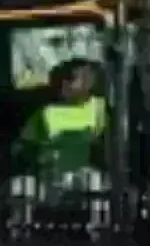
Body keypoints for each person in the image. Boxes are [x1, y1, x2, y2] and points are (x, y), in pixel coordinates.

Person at [14, 58, 107, 194]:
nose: (65, 84)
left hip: (86, 176)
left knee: (94, 179)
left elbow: (106, 146)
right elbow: (24, 145)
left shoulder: (100, 109)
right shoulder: (46, 113)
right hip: (50, 175)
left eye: (71, 78)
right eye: (64, 79)